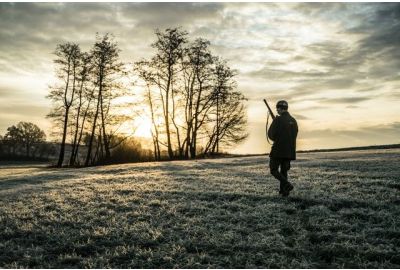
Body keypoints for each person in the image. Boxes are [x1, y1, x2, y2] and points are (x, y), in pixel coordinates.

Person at [267, 100, 298, 196]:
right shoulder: (293, 120)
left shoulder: (278, 120)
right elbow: (294, 135)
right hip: (289, 151)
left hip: (278, 150)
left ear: (280, 108)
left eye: (277, 108)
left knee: (273, 170)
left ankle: (287, 185)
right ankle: (284, 192)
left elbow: (271, 135)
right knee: (284, 171)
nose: (277, 110)